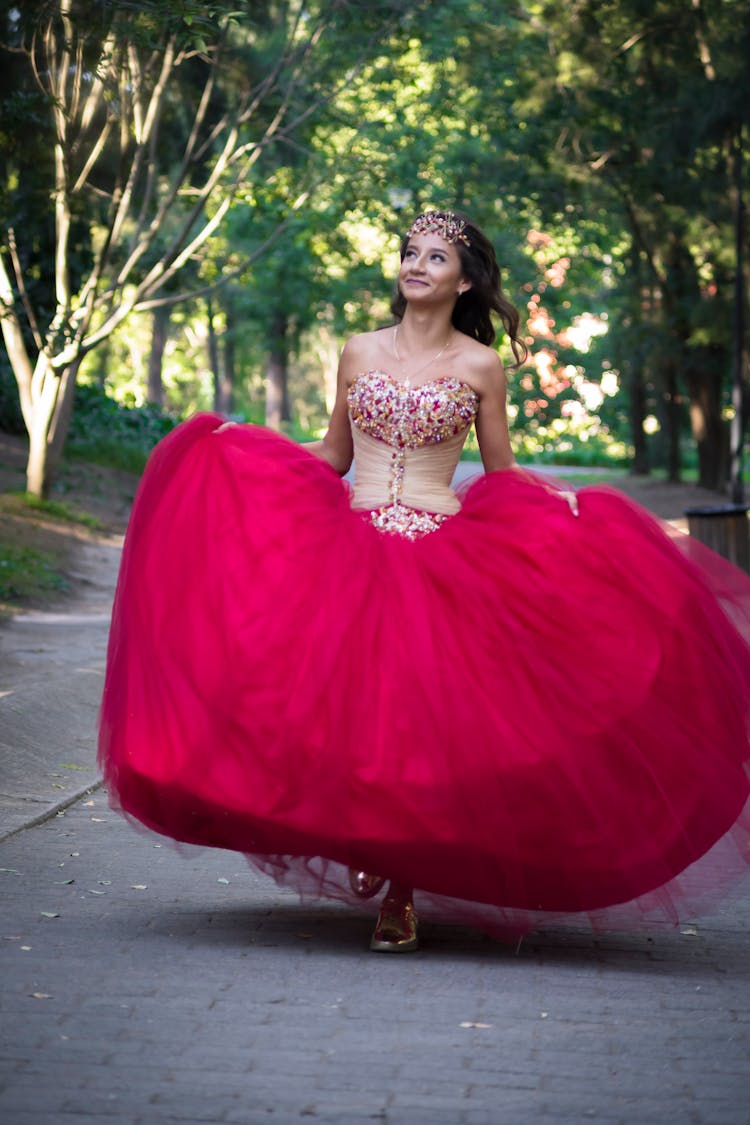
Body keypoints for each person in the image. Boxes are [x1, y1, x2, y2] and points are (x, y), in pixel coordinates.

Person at [99, 210, 750, 954]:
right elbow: (335, 452)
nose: (415, 265)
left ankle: (400, 891)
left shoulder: (480, 365)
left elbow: (502, 473)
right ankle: (371, 843)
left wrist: (562, 511)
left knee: (418, 731)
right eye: (409, 253)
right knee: (337, 720)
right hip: (349, 544)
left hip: (442, 550)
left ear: (463, 279)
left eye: (433, 256)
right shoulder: (358, 350)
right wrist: (246, 455)